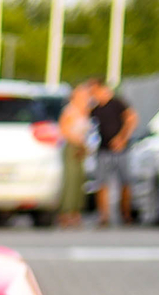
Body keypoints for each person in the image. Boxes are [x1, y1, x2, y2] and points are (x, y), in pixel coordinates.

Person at [88, 80, 137, 227]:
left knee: (125, 182)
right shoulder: (95, 109)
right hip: (103, 149)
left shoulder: (117, 103)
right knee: (102, 183)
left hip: (120, 149)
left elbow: (132, 118)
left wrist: (122, 138)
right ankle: (104, 216)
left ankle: (125, 213)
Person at [56, 82, 93, 230]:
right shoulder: (69, 111)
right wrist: (78, 142)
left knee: (79, 180)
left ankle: (76, 211)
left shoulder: (84, 110)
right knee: (70, 180)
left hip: (81, 147)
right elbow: (64, 130)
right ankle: (66, 212)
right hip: (72, 146)